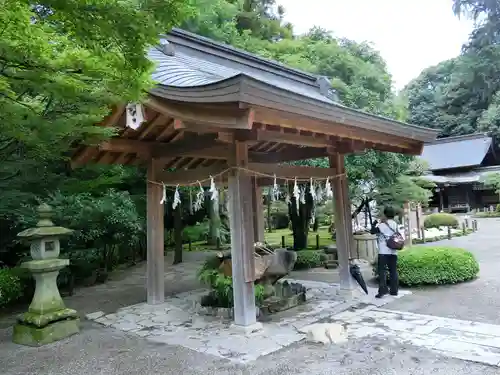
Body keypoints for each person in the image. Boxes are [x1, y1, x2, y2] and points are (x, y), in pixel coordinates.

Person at [370, 206, 401, 298]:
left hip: (383, 252)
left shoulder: (382, 225)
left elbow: (372, 231)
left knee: (382, 271)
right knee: (393, 271)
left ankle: (382, 290)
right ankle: (394, 291)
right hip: (393, 251)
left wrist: (374, 223)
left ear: (385, 214)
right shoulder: (395, 224)